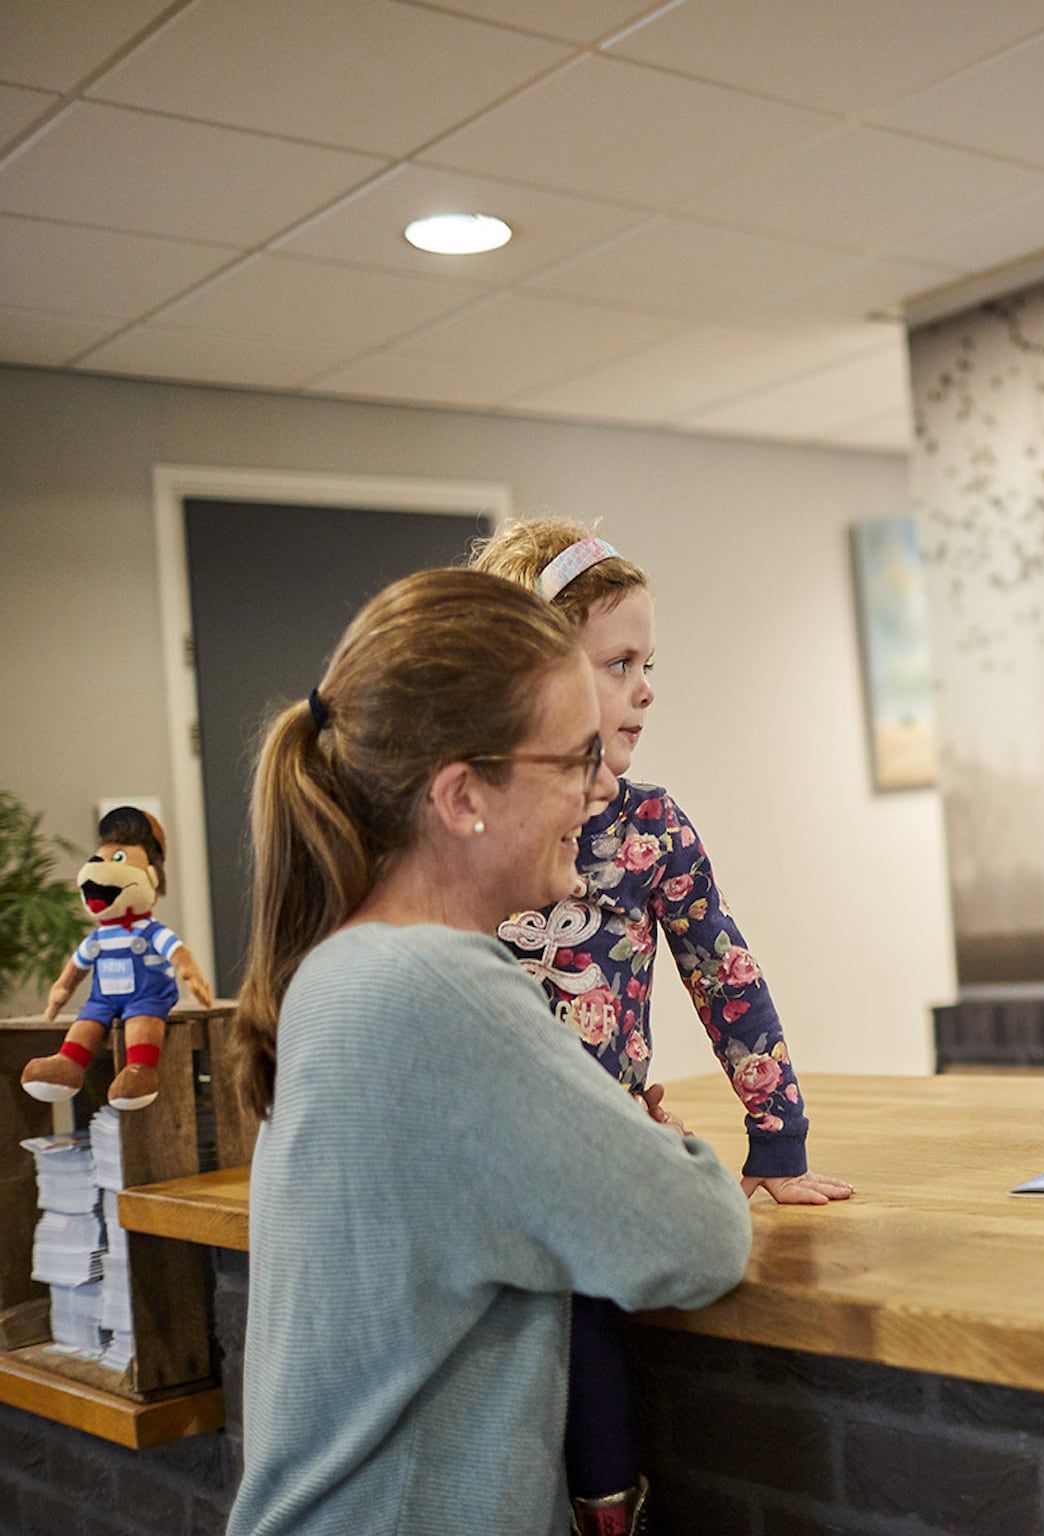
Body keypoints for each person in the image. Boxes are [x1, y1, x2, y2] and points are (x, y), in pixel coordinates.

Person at [225, 569, 752, 1536]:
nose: (601, 788)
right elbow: (699, 1236)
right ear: (464, 794)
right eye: (574, 760)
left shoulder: (342, 970)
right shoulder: (439, 989)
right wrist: (651, 1142)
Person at [469, 518, 850, 1533]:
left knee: (595, 1330)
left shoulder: (653, 829)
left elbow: (726, 978)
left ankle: (610, 1511)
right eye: (618, 664)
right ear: (536, 671)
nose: (645, 689)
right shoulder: (476, 828)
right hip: (487, 1154)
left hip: (600, 1148)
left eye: (650, 666)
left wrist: (778, 1136)